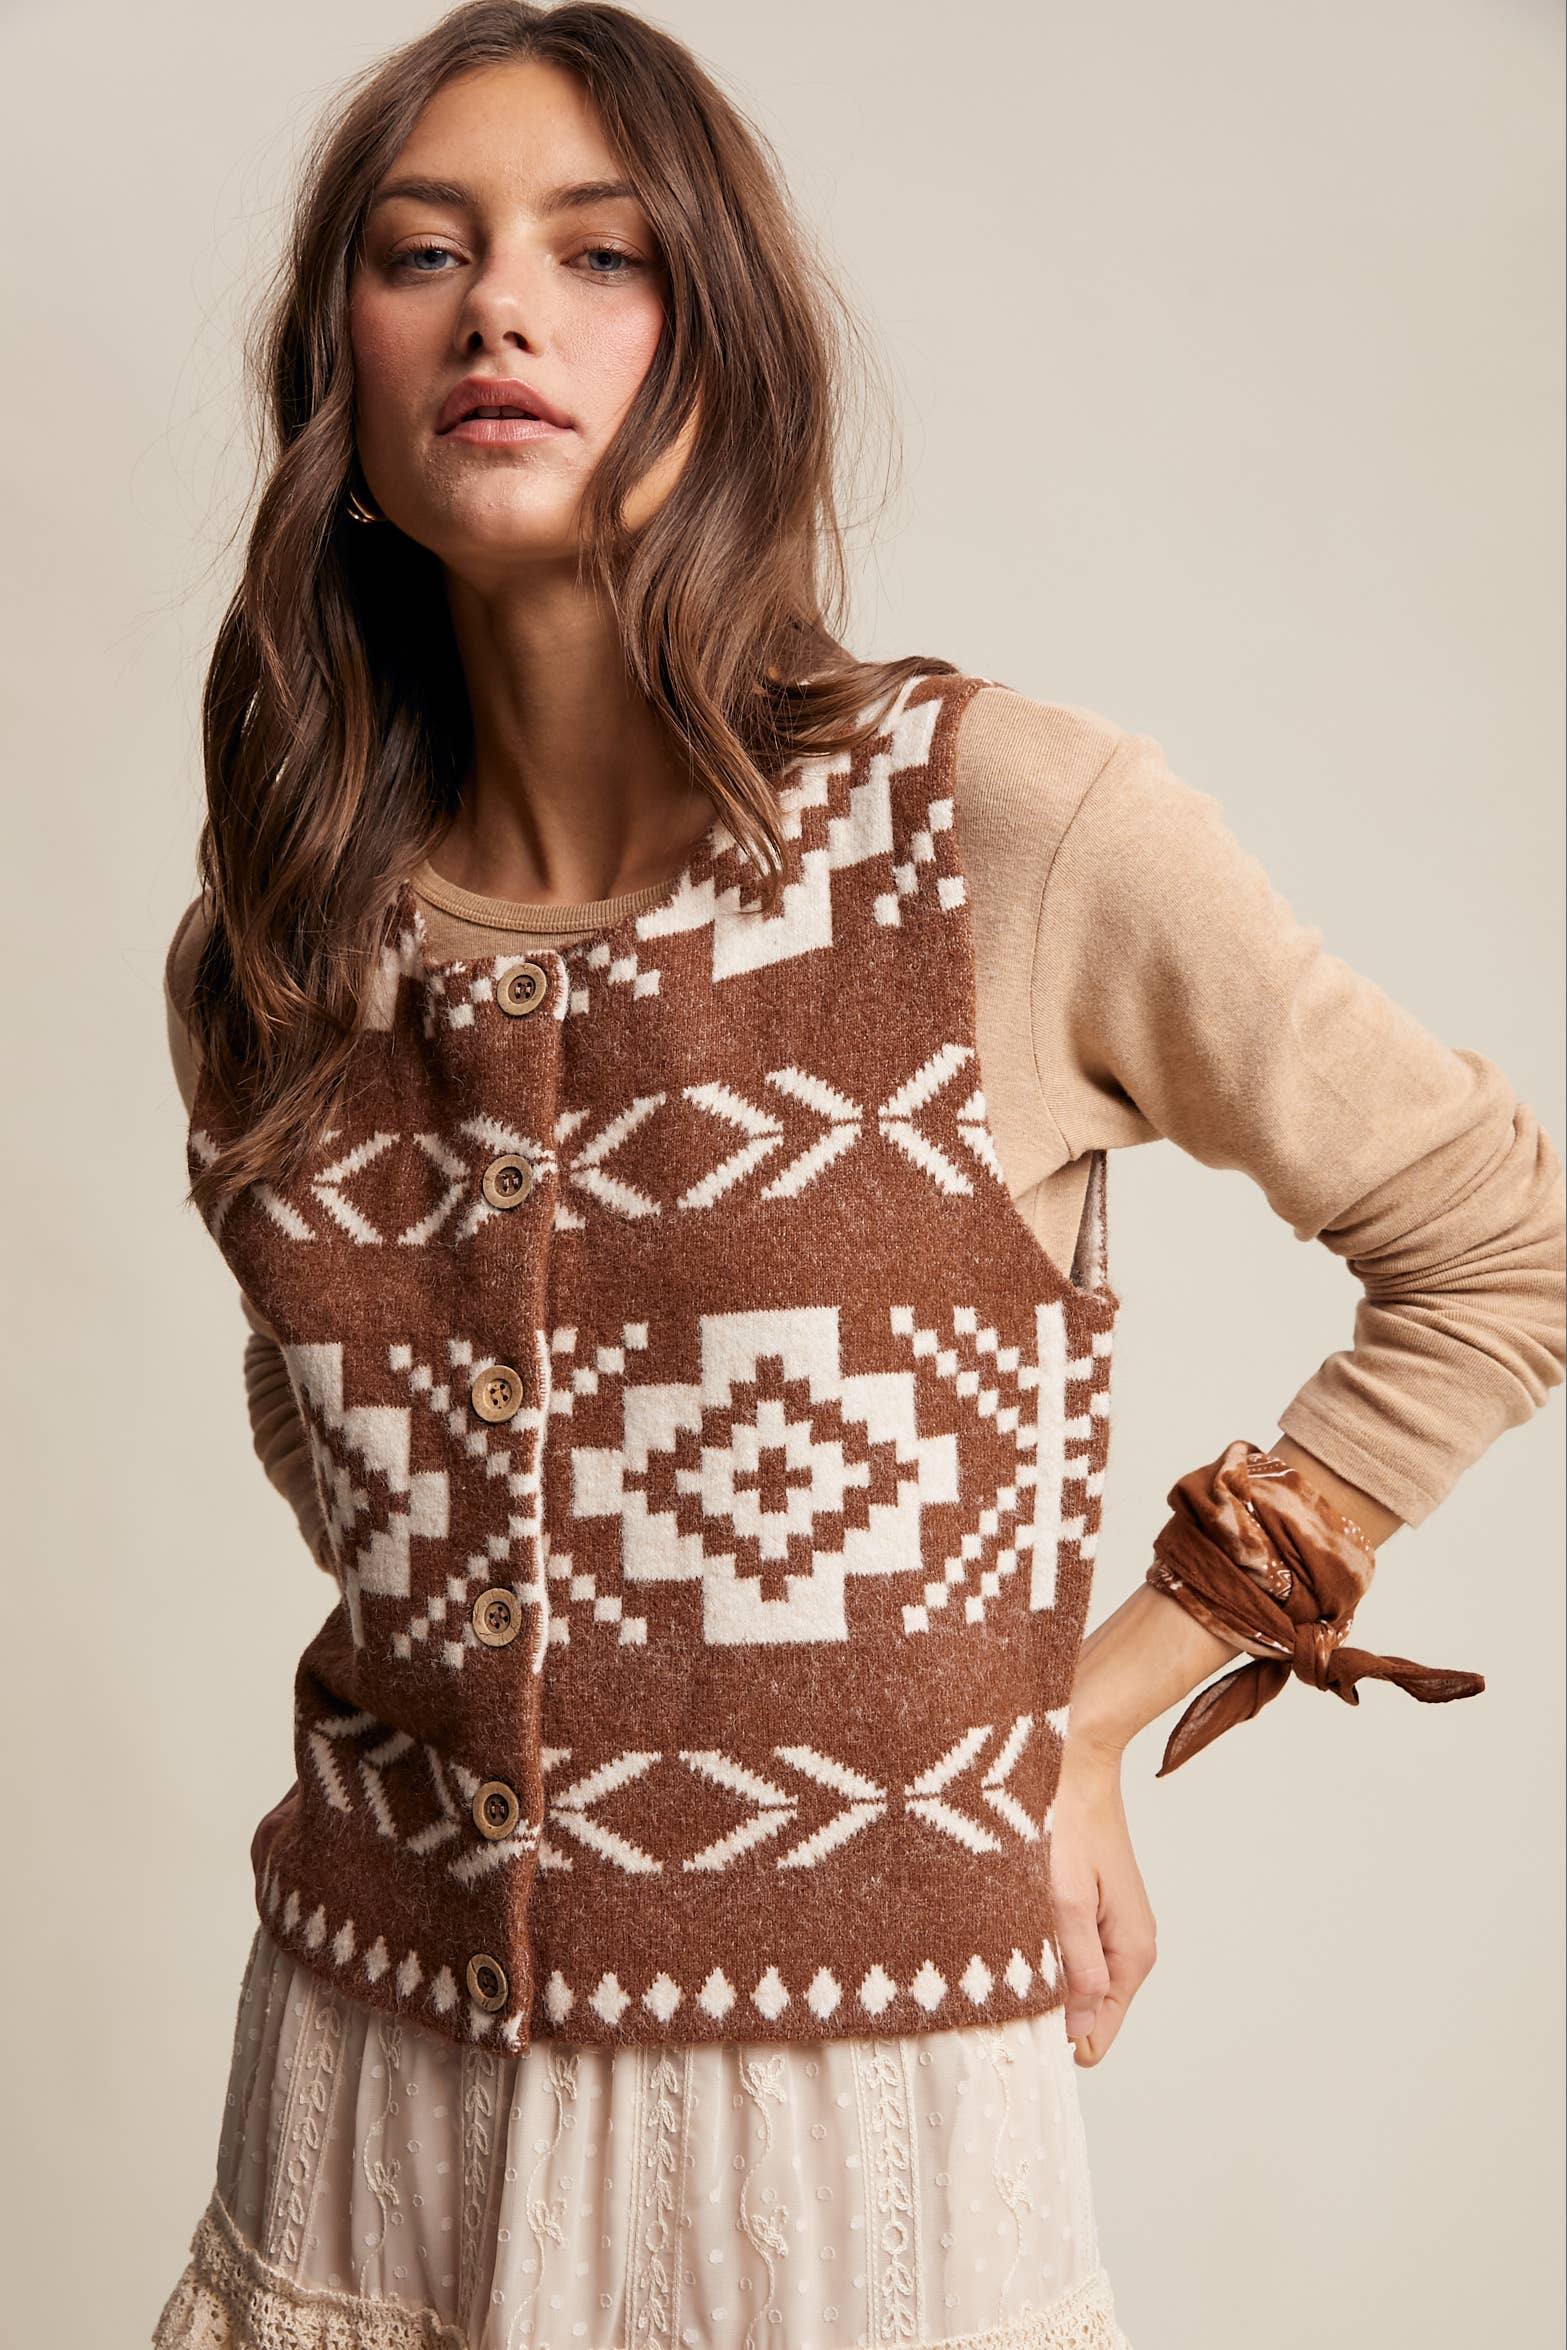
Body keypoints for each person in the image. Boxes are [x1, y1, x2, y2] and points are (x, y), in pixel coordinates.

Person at [151, 5, 1566, 2345]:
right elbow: (371, 1508)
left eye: (599, 255)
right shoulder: (279, 945)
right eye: (421, 252)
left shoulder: (992, 832)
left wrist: (1082, 1712)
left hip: (840, 2126)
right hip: (358, 2075)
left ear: (726, 356)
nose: (498, 309)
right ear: (341, 373)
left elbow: (1502, 1247)